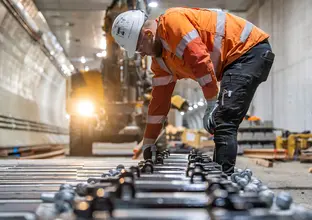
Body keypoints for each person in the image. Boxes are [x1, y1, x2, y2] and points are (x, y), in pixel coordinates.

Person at [111, 7, 275, 175]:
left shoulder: (173, 23)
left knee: (224, 119)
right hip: (236, 59)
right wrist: (148, 142)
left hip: (248, 50)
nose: (142, 55)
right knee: (221, 121)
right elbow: (158, 105)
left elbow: (199, 60)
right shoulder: (160, 62)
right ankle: (220, 175)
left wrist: (211, 103)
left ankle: (223, 181)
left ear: (147, 34)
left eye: (139, 49)